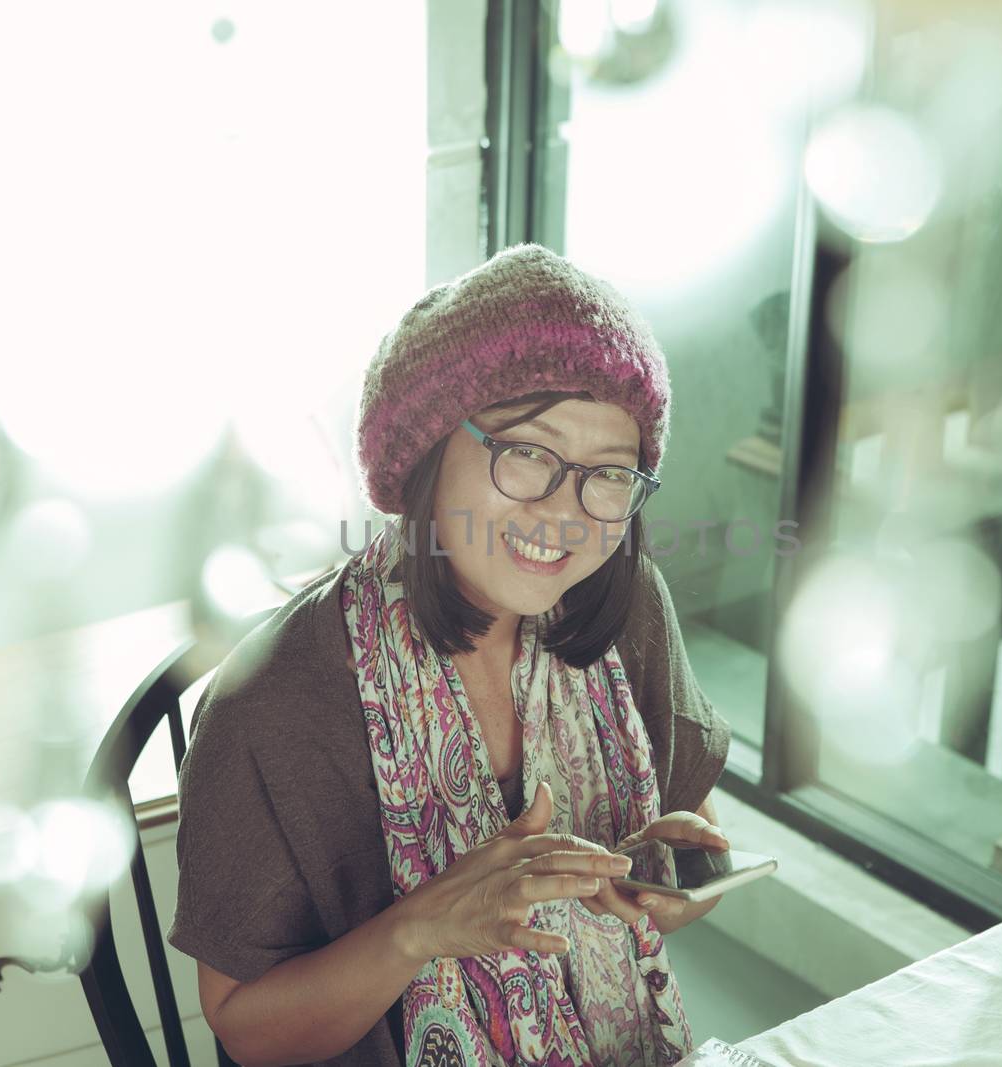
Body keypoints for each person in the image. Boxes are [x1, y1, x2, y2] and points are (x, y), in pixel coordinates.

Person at [167, 243, 734, 1066]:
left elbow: (696, 835)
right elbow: (248, 1030)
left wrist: (674, 879)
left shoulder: (630, 607)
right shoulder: (275, 699)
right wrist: (424, 925)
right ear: (427, 453)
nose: (565, 515)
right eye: (528, 454)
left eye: (608, 473)